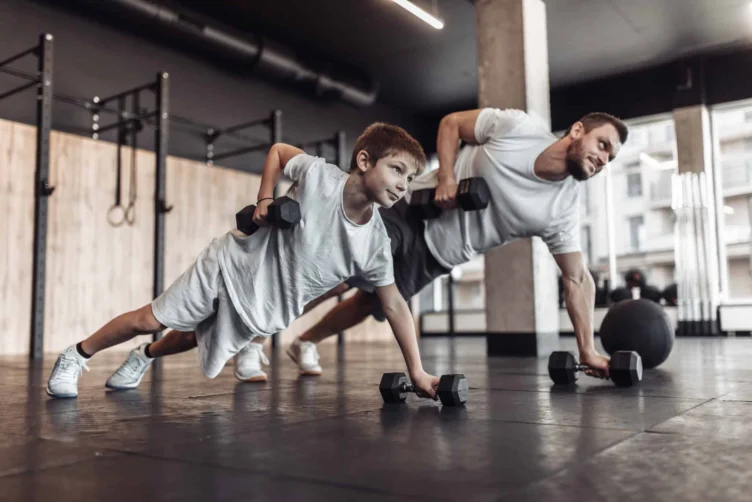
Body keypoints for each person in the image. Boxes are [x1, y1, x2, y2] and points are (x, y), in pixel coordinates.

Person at [45, 122, 440, 399]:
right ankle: (77, 355)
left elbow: (394, 305)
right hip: (230, 265)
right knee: (151, 319)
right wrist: (266, 199)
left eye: (411, 177)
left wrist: (417, 371)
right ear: (366, 161)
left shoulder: (374, 244)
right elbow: (280, 152)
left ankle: (143, 356)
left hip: (263, 307)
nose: (404, 184)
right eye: (398, 170)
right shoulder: (321, 178)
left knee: (190, 337)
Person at [236, 108, 629, 380]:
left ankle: (304, 342)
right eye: (603, 145)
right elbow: (452, 123)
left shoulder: (563, 207)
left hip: (440, 256)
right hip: (409, 210)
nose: (604, 159)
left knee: (371, 301)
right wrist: (446, 179)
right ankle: (254, 340)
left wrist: (587, 349)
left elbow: (576, 279)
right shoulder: (518, 128)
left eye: (610, 157)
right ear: (577, 131)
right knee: (342, 273)